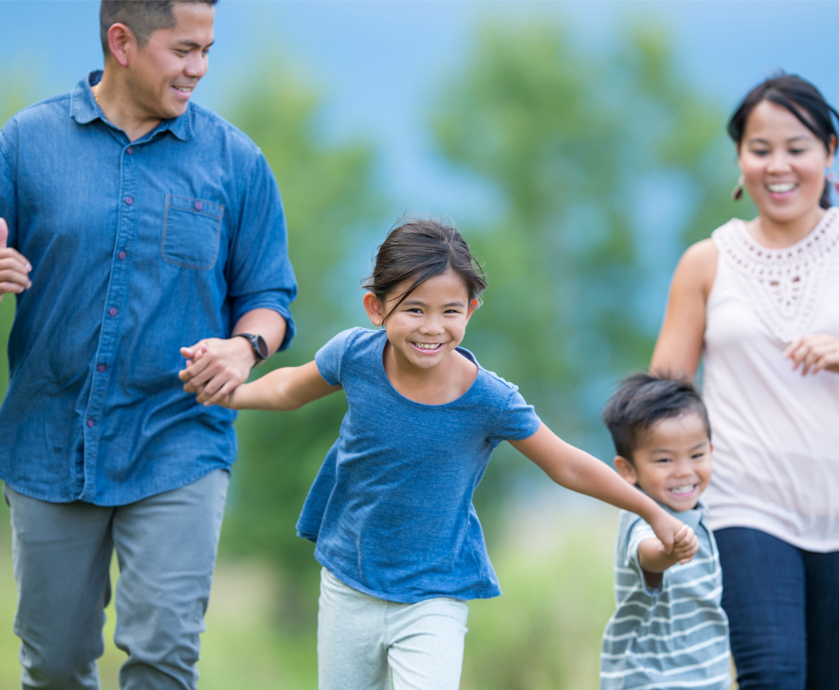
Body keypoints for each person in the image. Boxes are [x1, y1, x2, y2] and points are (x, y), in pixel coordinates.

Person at [0, 1, 297, 687]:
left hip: (179, 439)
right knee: (56, 664)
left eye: (208, 49)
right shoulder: (27, 142)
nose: (200, 69)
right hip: (48, 439)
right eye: (184, 49)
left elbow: (269, 296)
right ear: (122, 41)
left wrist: (246, 348)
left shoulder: (235, 161)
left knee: (164, 654)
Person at [216, 218, 690, 690]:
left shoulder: (490, 400)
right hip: (348, 581)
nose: (432, 328)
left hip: (434, 594)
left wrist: (653, 512)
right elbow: (289, 389)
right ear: (375, 308)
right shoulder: (355, 357)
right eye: (414, 309)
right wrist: (230, 393)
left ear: (471, 310)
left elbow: (566, 463)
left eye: (450, 311)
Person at [651, 73, 839, 690]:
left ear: (829, 154)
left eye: (797, 147)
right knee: (773, 675)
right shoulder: (708, 262)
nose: (778, 166)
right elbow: (663, 396)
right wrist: (658, 508)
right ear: (740, 159)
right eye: (761, 149)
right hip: (745, 504)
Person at [599, 373, 731, 690]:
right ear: (627, 469)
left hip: (705, 678)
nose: (684, 471)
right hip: (652, 679)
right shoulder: (642, 514)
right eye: (664, 460)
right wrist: (668, 552)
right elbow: (648, 554)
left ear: (711, 450)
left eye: (697, 455)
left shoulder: (697, 513)